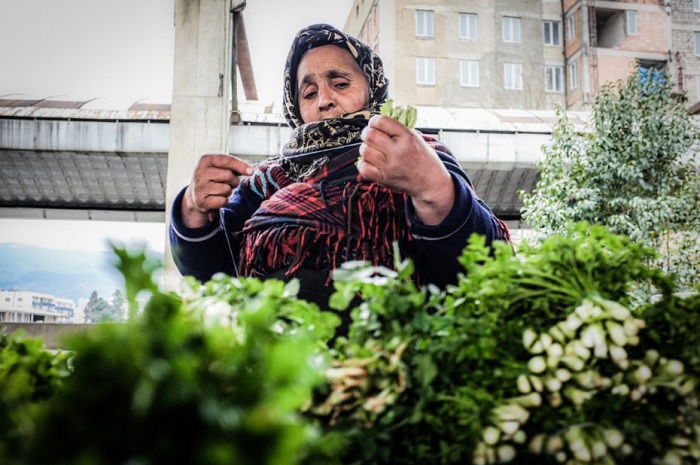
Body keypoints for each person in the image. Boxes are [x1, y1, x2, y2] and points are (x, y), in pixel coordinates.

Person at [169, 23, 510, 314]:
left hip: (385, 368)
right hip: (275, 371)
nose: (324, 100)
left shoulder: (415, 157)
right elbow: (213, 278)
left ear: (371, 89)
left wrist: (434, 189)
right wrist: (193, 211)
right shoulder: (264, 182)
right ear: (295, 107)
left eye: (341, 84)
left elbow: (484, 267)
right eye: (309, 92)